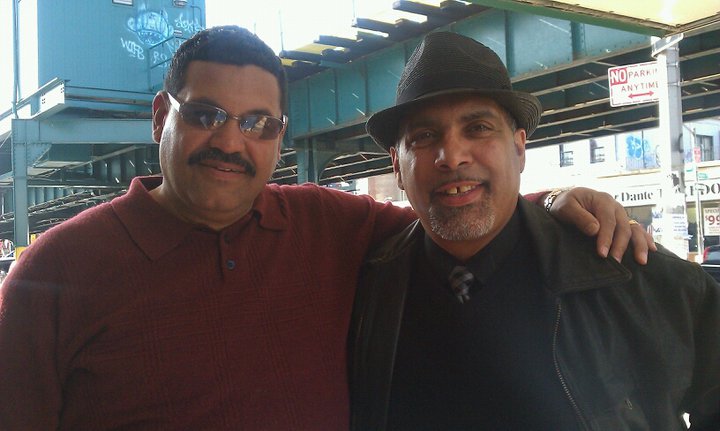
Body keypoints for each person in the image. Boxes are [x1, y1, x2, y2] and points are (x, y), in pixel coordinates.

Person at [0, 26, 653, 430]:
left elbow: (453, 216)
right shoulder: (53, 274)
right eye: (205, 115)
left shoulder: (323, 224)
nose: (230, 141)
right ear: (159, 117)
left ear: (280, 137)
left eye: (257, 124)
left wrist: (555, 200)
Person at [349, 31, 720, 431]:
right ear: (396, 167)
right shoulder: (366, 290)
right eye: (424, 136)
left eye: (478, 127)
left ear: (519, 148)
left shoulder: (631, 275)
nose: (452, 156)